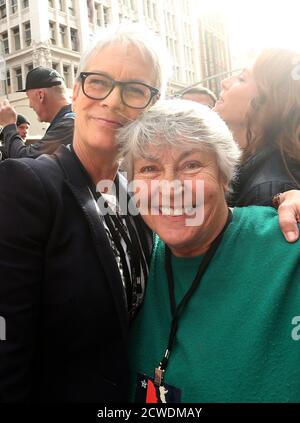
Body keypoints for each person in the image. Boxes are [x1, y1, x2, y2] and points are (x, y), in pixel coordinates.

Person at [0, 26, 166, 402]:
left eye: (135, 90)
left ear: (152, 107)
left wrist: (283, 201)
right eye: (99, 82)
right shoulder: (28, 186)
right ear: (76, 91)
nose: (112, 100)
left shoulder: (137, 194)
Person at [117, 99, 300, 403]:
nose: (171, 187)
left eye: (191, 165)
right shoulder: (135, 260)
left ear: (224, 174)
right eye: (149, 169)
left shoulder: (288, 249)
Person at [214, 48, 300, 207]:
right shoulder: (255, 167)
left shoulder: (271, 189)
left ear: (271, 101)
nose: (224, 83)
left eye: (241, 79)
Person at [0, 66, 74, 158]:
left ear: (40, 95)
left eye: (29, 97)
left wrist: (9, 124)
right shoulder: (70, 120)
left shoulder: (69, 124)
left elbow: (24, 158)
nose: (30, 105)